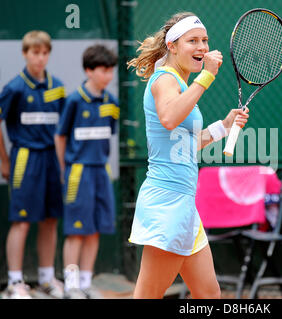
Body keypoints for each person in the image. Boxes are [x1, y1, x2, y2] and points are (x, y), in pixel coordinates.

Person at [127, 12, 249, 299]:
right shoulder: (164, 80)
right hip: (166, 205)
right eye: (192, 41)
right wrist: (207, 76)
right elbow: (169, 117)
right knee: (148, 295)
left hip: (185, 208)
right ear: (172, 46)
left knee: (209, 295)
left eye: (204, 40)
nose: (202, 47)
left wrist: (223, 126)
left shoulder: (181, 85)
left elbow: (185, 145)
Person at [0, 31, 66, 299]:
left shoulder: (57, 86)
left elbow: (62, 129)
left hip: (52, 159)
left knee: (50, 219)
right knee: (22, 220)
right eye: (34, 53)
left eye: (44, 53)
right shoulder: (14, 88)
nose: (40, 58)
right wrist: (4, 160)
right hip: (25, 159)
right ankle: (15, 282)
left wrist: (62, 164)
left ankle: (46, 278)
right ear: (25, 54)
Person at [54, 44, 119, 299]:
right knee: (76, 231)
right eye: (104, 70)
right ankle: (71, 285)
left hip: (100, 173)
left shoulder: (112, 103)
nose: (109, 76)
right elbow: (60, 137)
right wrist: (64, 169)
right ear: (89, 71)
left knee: (94, 230)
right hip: (77, 173)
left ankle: (86, 281)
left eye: (111, 70)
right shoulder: (73, 100)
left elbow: (108, 134)